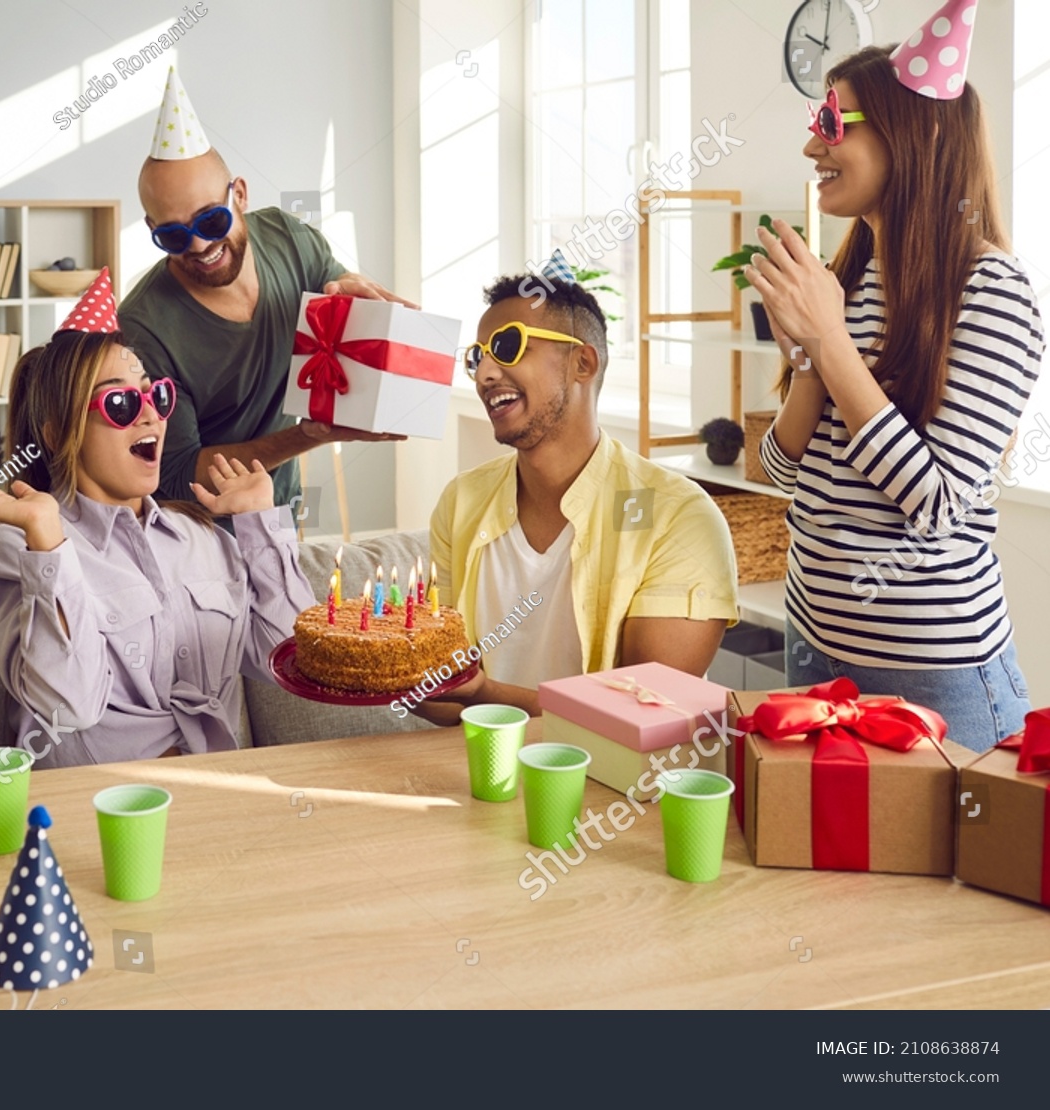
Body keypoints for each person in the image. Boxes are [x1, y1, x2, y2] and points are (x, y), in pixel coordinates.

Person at [752, 11, 1042, 752]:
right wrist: (815, 359)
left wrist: (831, 345)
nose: (811, 143)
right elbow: (783, 469)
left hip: (934, 677)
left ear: (914, 136)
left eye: (830, 120)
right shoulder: (849, 278)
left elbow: (940, 503)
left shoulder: (994, 292)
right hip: (813, 649)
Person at [0, 269, 314, 766]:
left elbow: (298, 660)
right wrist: (47, 540)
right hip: (90, 816)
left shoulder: (203, 537)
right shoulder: (16, 549)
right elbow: (69, 705)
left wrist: (260, 526)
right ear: (60, 432)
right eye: (122, 402)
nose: (151, 416)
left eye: (156, 395)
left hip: (218, 800)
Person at [417, 264, 739, 725]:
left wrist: (484, 692)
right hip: (475, 778)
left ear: (582, 363)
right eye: (476, 358)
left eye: (507, 346)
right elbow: (443, 699)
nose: (485, 373)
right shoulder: (462, 499)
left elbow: (648, 712)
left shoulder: (680, 517)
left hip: (616, 790)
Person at [120, 66, 408, 512]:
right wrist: (306, 436)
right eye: (174, 236)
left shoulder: (289, 238)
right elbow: (173, 473)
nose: (199, 246)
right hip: (191, 537)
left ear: (240, 194)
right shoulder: (144, 329)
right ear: (152, 229)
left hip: (276, 517)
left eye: (211, 220)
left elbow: (338, 311)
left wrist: (350, 292)